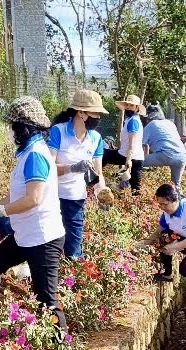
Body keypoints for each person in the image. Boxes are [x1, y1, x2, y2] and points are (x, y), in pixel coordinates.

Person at [0, 96, 68, 330]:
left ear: (25, 128)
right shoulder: (29, 153)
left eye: (13, 126)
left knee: (46, 298)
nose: (10, 131)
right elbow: (19, 193)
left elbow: (33, 198)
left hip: (43, 239)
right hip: (27, 234)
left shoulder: (36, 156)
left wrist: (0, 211)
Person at [48, 89, 108, 259]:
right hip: (52, 196)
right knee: (49, 242)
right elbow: (48, 168)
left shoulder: (96, 138)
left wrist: (101, 192)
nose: (98, 118)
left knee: (73, 250)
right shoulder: (58, 132)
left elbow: (97, 173)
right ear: (81, 113)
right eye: (95, 114)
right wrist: (71, 168)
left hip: (75, 198)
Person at [102, 94, 145, 193]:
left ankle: (94, 179)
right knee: (135, 188)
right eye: (127, 105)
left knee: (104, 154)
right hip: (137, 157)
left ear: (137, 108)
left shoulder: (133, 121)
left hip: (128, 156)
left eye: (131, 106)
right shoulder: (131, 119)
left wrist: (128, 160)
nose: (128, 108)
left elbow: (132, 143)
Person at [141, 104, 186, 187]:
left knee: (137, 162)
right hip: (182, 156)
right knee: (176, 186)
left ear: (149, 117)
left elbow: (139, 145)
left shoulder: (151, 124)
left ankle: (124, 185)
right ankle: (179, 198)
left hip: (165, 154)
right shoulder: (170, 123)